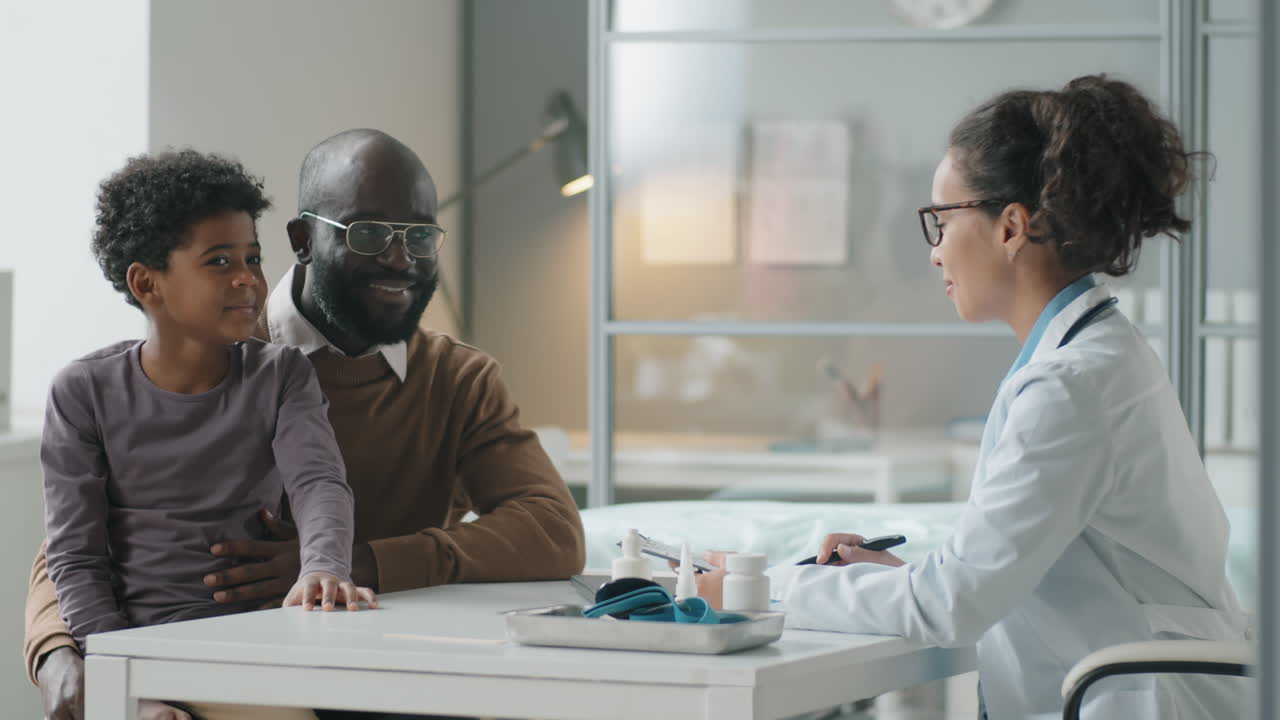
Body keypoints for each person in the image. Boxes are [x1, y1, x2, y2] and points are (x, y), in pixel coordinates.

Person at [698, 75, 1249, 719]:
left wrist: (756, 589)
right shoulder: (1093, 358)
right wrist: (889, 577)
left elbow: (950, 605)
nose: (934, 254)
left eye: (941, 220)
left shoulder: (1070, 385)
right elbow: (1002, 565)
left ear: (1011, 227)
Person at [26, 129, 585, 720]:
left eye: (420, 235)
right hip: (213, 660)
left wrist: (355, 563)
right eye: (368, 233)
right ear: (303, 240)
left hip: (382, 665)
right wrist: (60, 655)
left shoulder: (456, 378)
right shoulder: (215, 347)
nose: (401, 259)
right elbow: (77, 546)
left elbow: (552, 530)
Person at [41, 149, 375, 720]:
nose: (248, 278)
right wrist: (122, 692)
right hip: (148, 649)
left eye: (252, 256)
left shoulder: (282, 375)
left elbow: (319, 481)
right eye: (219, 261)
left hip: (266, 636)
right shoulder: (83, 393)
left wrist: (324, 567)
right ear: (148, 283)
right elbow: (75, 560)